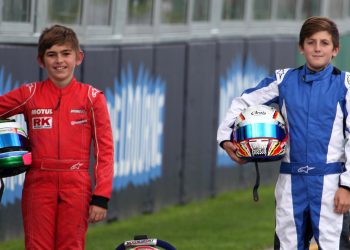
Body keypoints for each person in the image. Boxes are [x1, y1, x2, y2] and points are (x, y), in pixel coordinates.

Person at [217, 16, 350, 249]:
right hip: (290, 182)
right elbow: (242, 102)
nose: (317, 48)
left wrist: (347, 187)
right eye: (310, 42)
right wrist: (227, 140)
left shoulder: (346, 85)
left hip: (331, 184)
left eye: (324, 43)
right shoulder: (283, 80)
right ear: (301, 47)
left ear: (335, 49)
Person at [0, 24, 114, 249]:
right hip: (39, 183)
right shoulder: (29, 93)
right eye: (51, 54)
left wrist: (101, 196)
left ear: (78, 57)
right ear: (41, 61)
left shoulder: (92, 98)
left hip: (77, 183)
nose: (59, 60)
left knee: (71, 246)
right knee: (37, 246)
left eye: (65, 53)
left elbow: (105, 150)